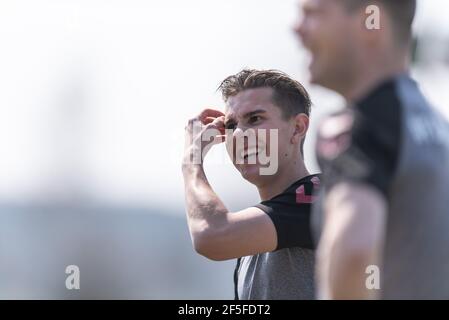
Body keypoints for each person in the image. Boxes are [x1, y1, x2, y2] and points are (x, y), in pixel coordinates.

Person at [294, 0, 449, 299]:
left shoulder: (363, 125)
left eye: (312, 14)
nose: (297, 28)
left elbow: (354, 252)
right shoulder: (435, 126)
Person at [182, 69, 321, 299]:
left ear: (297, 128)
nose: (238, 135)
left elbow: (211, 234)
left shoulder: (320, 197)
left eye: (255, 119)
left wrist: (191, 162)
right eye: (231, 126)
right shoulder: (250, 242)